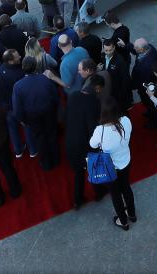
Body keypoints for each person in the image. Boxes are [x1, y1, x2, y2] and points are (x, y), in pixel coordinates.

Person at [90, 96, 136, 230]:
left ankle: (123, 221)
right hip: (126, 161)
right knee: (126, 187)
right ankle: (132, 214)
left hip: (111, 167)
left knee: (115, 194)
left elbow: (92, 144)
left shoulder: (100, 131)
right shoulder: (126, 121)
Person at [67, 60, 103, 210]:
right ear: (97, 88)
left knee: (78, 173)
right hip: (85, 143)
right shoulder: (93, 102)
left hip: (70, 141)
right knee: (93, 167)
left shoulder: (74, 95)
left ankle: (77, 200)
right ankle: (99, 192)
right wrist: (96, 146)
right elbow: (91, 127)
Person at [12, 55, 59, 170]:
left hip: (32, 117)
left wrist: (21, 120)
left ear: (23, 67)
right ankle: (56, 159)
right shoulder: (45, 79)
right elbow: (55, 96)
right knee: (52, 135)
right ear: (35, 66)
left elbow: (17, 107)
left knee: (40, 138)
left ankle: (46, 164)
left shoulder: (18, 86)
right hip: (49, 113)